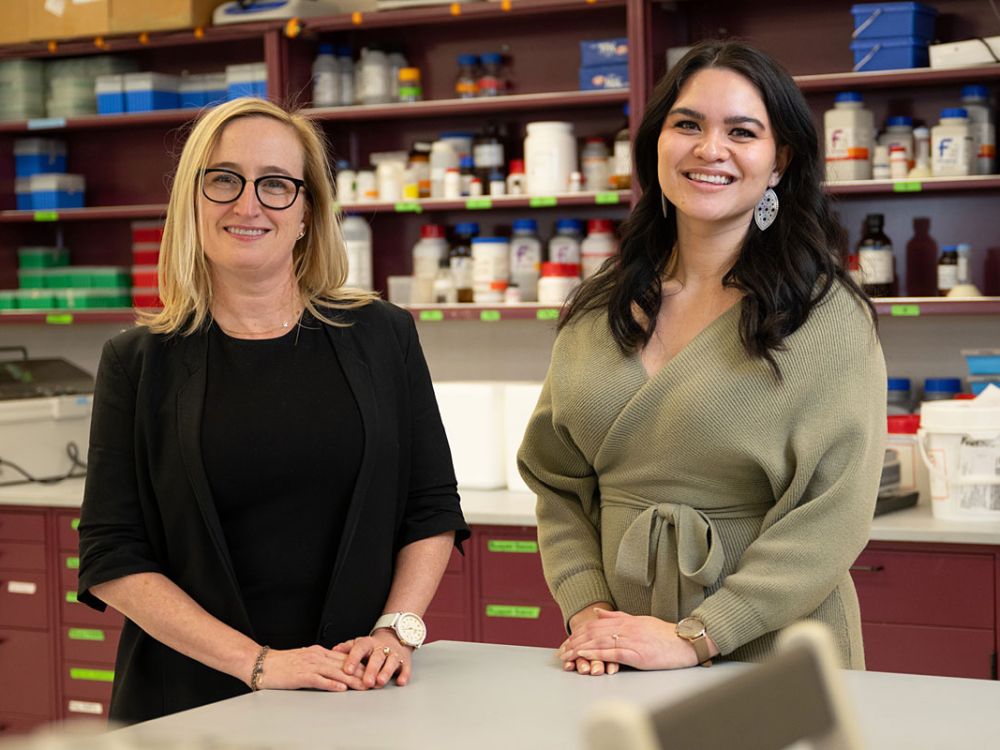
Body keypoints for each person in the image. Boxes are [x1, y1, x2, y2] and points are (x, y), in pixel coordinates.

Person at [77, 97, 469, 723]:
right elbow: (112, 555)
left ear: (308, 211)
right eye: (224, 179)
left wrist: (396, 632)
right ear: (192, 201)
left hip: (356, 690)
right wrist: (258, 662)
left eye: (276, 184)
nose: (248, 203)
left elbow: (431, 506)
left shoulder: (382, 334)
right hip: (188, 704)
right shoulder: (137, 360)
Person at [517, 41, 886, 677]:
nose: (710, 149)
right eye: (687, 124)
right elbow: (557, 481)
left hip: (776, 650)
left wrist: (697, 637)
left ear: (779, 161)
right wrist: (590, 613)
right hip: (620, 648)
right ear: (655, 143)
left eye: (742, 132)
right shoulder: (599, 307)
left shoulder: (825, 317)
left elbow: (833, 513)